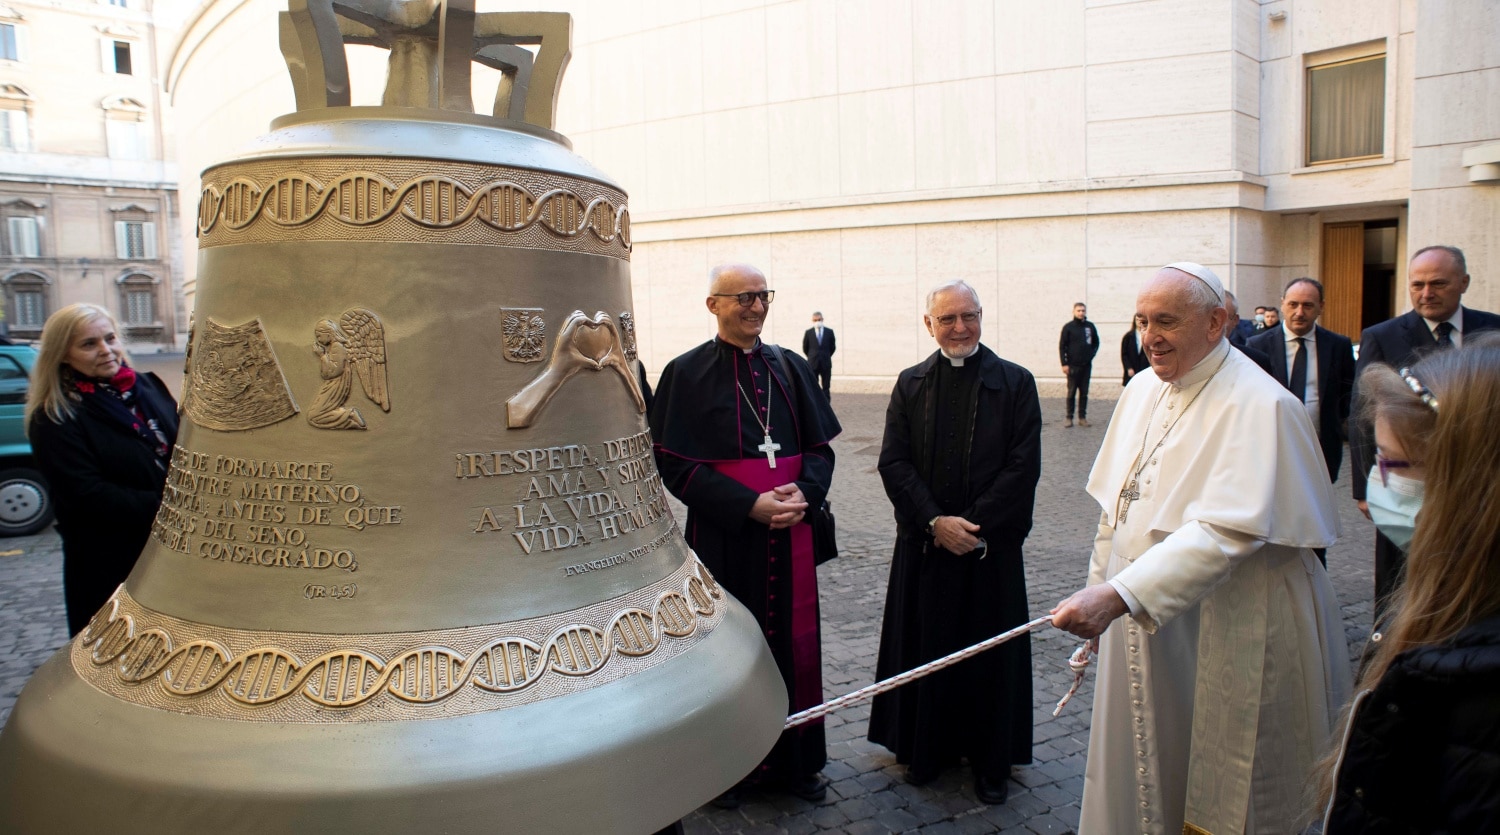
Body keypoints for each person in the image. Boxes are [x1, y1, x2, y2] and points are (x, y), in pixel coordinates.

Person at [1050, 262, 1350, 835]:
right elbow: (1118, 506)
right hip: (1137, 614)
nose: (1149, 337)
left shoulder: (1263, 406)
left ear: (1216, 322)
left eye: (1166, 321)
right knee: (1138, 769)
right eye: (1142, 321)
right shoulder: (1141, 389)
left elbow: (1228, 531)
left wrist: (1119, 595)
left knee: (1213, 775)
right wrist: (1100, 587)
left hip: (1226, 619)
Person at [649, 263, 841, 807]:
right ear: (714, 305)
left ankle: (796, 765)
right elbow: (672, 463)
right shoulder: (684, 374)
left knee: (792, 648)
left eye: (762, 296)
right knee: (727, 652)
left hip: (792, 531)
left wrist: (807, 492)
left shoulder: (793, 368)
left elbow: (822, 449)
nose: (755, 306)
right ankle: (728, 770)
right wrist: (747, 504)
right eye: (742, 298)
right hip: (725, 538)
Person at [1312, 335, 1500, 832]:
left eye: (1391, 463)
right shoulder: (1451, 604)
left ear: (1467, 483)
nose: (1377, 483)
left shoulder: (1476, 689)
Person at [868, 280, 1041, 805]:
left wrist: (972, 526)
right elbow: (892, 462)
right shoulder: (910, 382)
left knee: (990, 661)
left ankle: (992, 763)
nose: (960, 328)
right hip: (926, 550)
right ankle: (928, 751)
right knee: (929, 651)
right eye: (948, 319)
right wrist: (933, 522)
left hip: (989, 554)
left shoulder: (1015, 383)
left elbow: (1022, 466)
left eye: (969, 316)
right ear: (929, 325)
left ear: (982, 317)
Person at [1349, 244, 1500, 613]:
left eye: (1438, 283)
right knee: (1400, 575)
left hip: (1477, 482)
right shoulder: (1382, 335)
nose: (1426, 293)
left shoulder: (1492, 329)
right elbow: (1361, 415)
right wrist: (1364, 488)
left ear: (1463, 282)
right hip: (1405, 480)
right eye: (1417, 285)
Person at [25, 303, 180, 636]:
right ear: (63, 354)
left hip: (168, 556)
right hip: (109, 563)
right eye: (88, 344)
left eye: (110, 338)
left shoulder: (147, 386)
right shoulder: (55, 415)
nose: (106, 350)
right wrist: (172, 508)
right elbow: (87, 495)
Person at [1248, 278, 1355, 483]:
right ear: (1282, 304)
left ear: (1320, 307)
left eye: (1308, 305)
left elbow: (1347, 394)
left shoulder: (1338, 345)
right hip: (1270, 448)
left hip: (1321, 448)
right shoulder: (1257, 345)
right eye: (1293, 304)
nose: (1299, 312)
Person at [1058, 302, 1099, 426]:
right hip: (1072, 366)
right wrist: (1064, 364)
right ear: (1074, 312)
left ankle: (1082, 417)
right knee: (1071, 392)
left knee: (1084, 392)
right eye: (1078, 311)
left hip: (1086, 366)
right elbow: (1062, 346)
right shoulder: (1068, 327)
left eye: (1083, 311)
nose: (1081, 313)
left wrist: (1090, 355)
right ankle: (1069, 417)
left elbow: (1096, 343)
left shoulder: (1090, 327)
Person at [1224, 289, 1274, 374]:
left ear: (1235, 320)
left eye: (1224, 317)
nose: (1215, 324)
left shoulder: (1256, 361)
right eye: (1210, 316)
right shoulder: (1193, 359)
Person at [801, 311, 835, 401]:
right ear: (812, 320)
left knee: (826, 386)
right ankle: (816, 406)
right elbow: (805, 347)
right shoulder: (809, 332)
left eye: (819, 320)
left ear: (822, 319)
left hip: (826, 363)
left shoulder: (829, 332)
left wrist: (826, 355)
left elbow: (832, 347)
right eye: (815, 320)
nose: (817, 322)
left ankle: (827, 405)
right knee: (813, 386)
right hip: (813, 363)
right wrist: (812, 356)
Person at [1121, 314, 1151, 385]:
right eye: (1137, 320)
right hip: (1132, 368)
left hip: (1144, 367)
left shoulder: (1148, 335)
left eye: (1141, 320)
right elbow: (1124, 354)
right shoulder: (1128, 336)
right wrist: (1128, 368)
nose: (1139, 322)